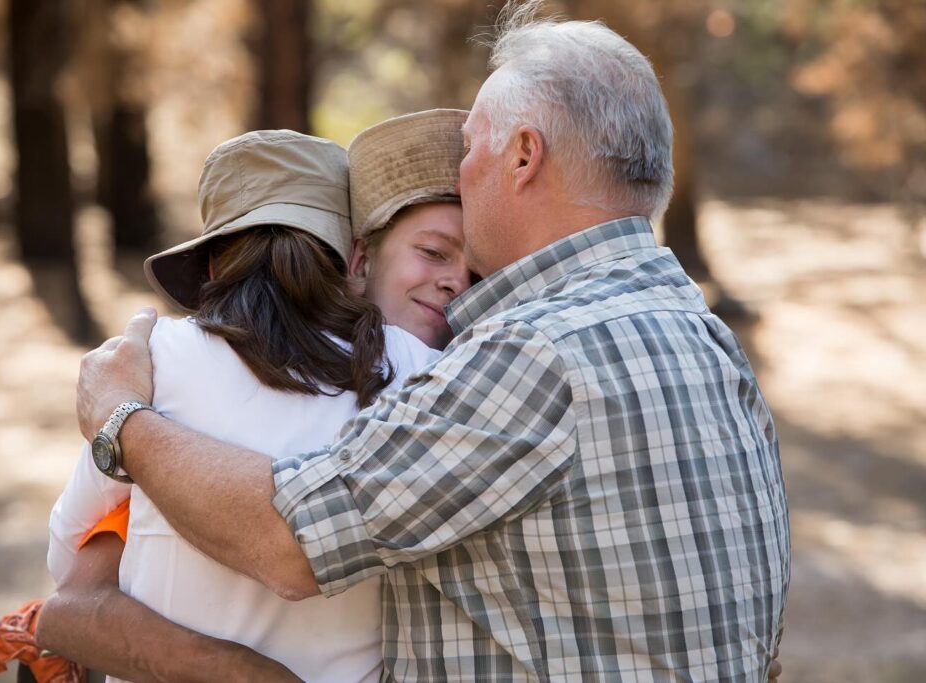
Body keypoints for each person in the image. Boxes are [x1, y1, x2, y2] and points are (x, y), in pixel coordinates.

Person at [73, 4, 790, 681]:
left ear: (523, 157)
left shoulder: (537, 353)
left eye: (472, 148)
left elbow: (288, 541)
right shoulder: (707, 339)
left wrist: (120, 417)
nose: (462, 174)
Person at [41, 114, 472, 682]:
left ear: (215, 261)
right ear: (350, 260)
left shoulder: (153, 360)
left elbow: (65, 558)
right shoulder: (418, 368)